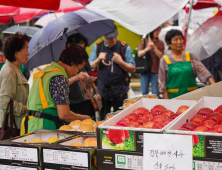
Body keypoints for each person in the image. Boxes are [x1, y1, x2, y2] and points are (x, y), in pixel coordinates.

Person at [21, 44, 91, 135]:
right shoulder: (59, 78)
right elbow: (64, 114)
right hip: (44, 126)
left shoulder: (48, 71)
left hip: (31, 124)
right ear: (73, 63)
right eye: (79, 69)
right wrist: (85, 118)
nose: (77, 73)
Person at [89, 26, 135, 120]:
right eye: (110, 37)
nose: (114, 39)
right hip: (102, 91)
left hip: (120, 91)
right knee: (103, 119)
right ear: (103, 36)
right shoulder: (97, 47)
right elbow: (90, 67)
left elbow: (133, 69)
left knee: (121, 118)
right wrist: (98, 60)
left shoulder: (124, 47)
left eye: (115, 36)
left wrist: (120, 61)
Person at [158, 29, 215, 99]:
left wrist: (215, 88)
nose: (179, 42)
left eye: (180, 39)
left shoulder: (191, 56)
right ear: (169, 43)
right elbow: (162, 84)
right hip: (174, 97)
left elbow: (205, 74)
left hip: (193, 97)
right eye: (175, 40)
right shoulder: (164, 60)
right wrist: (168, 103)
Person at [0, 33, 29, 131]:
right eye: (26, 49)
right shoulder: (10, 72)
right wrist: (24, 108)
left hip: (16, 125)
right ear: (16, 54)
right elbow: (4, 101)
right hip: (11, 127)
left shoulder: (15, 69)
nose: (28, 53)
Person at [66, 33, 96, 119]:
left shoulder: (83, 59)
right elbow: (62, 83)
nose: (80, 52)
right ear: (69, 45)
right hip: (72, 102)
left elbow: (91, 72)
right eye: (78, 48)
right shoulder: (64, 61)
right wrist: (76, 77)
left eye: (83, 48)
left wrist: (91, 78)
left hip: (87, 100)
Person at [137, 27, 164, 97]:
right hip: (144, 70)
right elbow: (139, 54)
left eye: (159, 30)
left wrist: (154, 47)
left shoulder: (160, 43)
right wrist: (147, 49)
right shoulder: (143, 41)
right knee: (144, 92)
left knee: (155, 93)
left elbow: (161, 56)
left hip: (155, 70)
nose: (158, 32)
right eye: (156, 30)